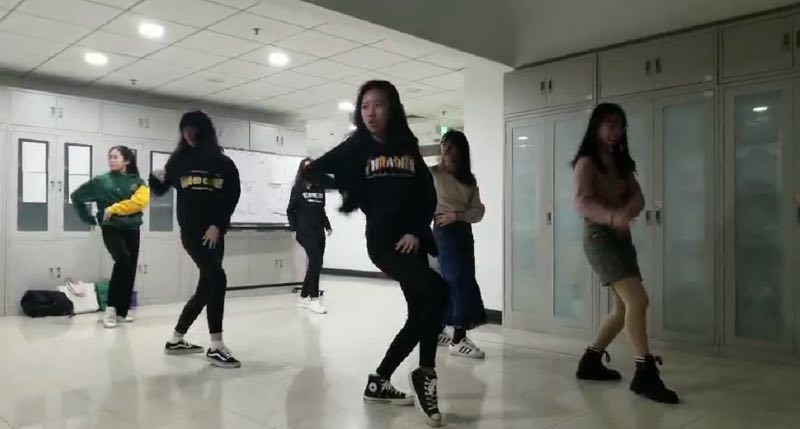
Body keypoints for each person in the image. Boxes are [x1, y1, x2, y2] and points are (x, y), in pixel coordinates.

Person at [308, 80, 448, 427]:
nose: (370, 113)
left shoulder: (407, 145)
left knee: (419, 314)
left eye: (378, 105)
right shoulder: (356, 146)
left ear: (392, 108)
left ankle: (379, 381)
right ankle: (425, 373)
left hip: (412, 240)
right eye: (365, 106)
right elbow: (315, 170)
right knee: (437, 289)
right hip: (383, 242)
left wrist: (416, 230)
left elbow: (426, 192)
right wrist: (352, 186)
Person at [572, 103, 679, 404]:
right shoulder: (586, 162)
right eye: (609, 124)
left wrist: (626, 213)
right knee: (638, 300)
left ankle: (590, 361)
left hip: (621, 237)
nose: (615, 131)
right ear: (596, 126)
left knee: (622, 308)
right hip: (599, 238)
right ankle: (644, 372)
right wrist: (611, 217)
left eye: (619, 125)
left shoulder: (620, 162)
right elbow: (581, 202)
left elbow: (638, 196)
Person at [149, 110, 242, 369]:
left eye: (193, 129)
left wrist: (218, 225)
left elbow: (231, 197)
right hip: (191, 233)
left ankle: (176, 339)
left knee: (206, 286)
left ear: (204, 131)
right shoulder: (179, 161)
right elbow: (160, 189)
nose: (188, 134)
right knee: (218, 279)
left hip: (214, 233)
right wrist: (154, 179)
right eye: (184, 129)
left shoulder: (223, 163)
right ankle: (216, 346)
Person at [71, 146, 149, 329]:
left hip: (132, 228)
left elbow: (139, 203)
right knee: (122, 260)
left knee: (129, 268)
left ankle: (122, 311)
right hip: (111, 227)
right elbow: (77, 196)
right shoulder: (101, 181)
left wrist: (114, 209)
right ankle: (111, 310)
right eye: (110, 157)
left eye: (115, 157)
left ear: (126, 161)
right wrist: (87, 218)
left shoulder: (138, 182)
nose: (111, 160)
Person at [431, 130, 488, 359]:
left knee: (460, 281)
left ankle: (444, 331)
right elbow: (421, 201)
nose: (447, 150)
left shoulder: (468, 180)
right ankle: (457, 338)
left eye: (452, 146)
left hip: (462, 231)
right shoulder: (433, 174)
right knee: (455, 283)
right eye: (445, 145)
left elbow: (478, 210)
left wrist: (456, 215)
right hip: (442, 233)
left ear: (461, 151)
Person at [287, 158, 332, 315]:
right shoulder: (298, 189)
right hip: (304, 231)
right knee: (315, 261)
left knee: (316, 264)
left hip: (318, 230)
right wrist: (293, 229)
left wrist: (327, 225)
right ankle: (314, 300)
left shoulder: (319, 188)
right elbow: (290, 210)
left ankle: (303, 297)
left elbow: (321, 210)